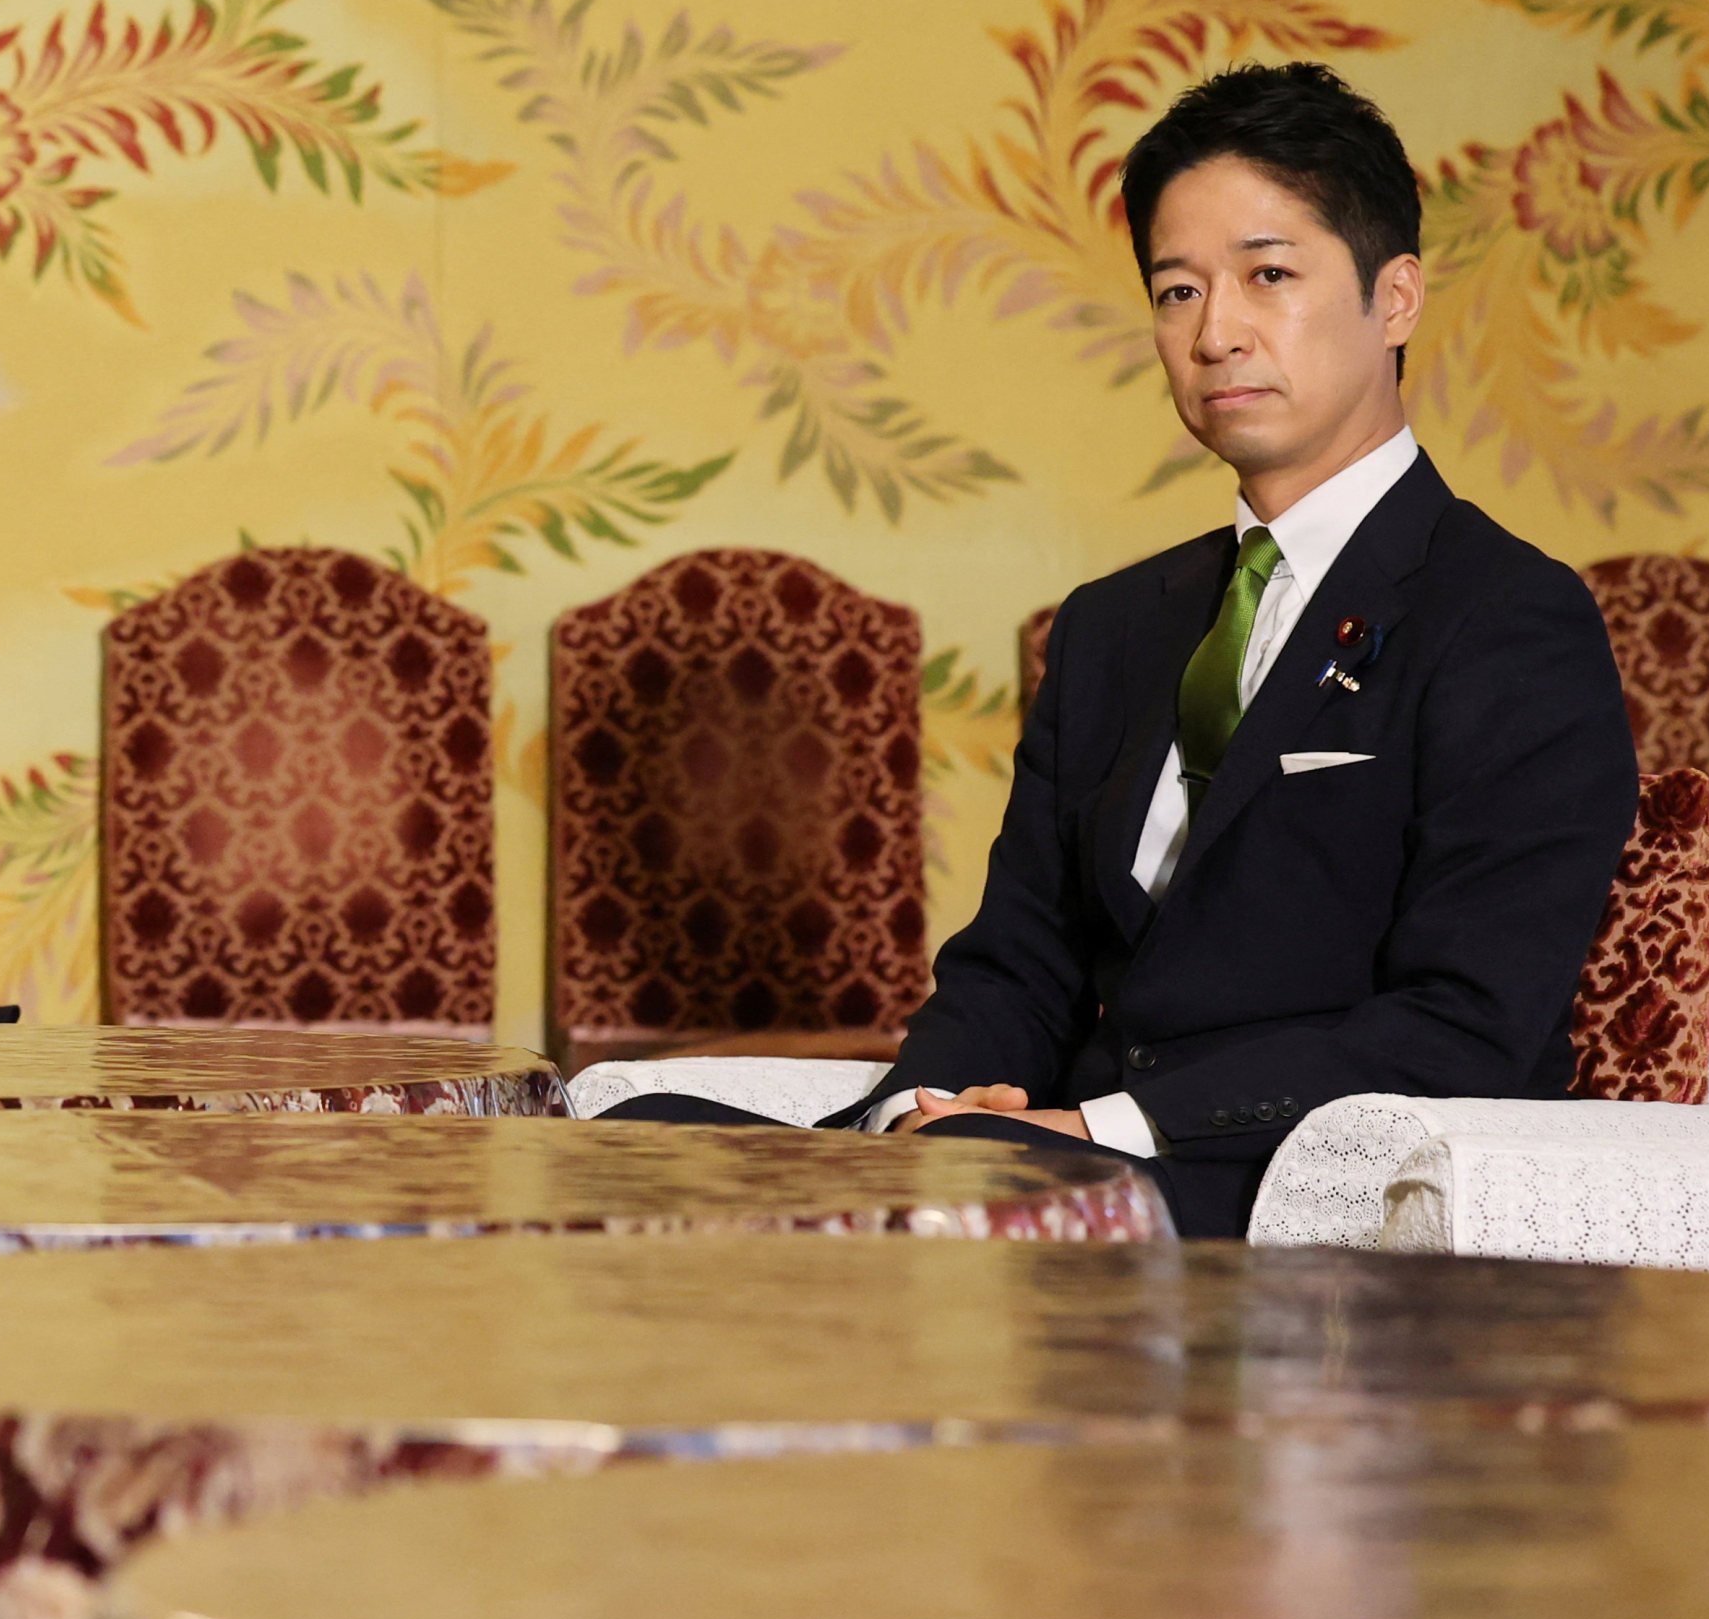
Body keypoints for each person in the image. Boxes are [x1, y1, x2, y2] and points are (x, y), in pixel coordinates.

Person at [613, 63, 1638, 1238]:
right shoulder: (1114, 624)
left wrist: (1104, 1127)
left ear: (1394, 297)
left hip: (1277, 1183)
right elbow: (1018, 961)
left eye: (1269, 275)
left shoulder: (1505, 616)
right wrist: (915, 1112)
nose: (1216, 334)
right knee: (632, 1138)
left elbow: (1468, 1021)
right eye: (1176, 289)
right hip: (1061, 1169)